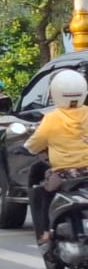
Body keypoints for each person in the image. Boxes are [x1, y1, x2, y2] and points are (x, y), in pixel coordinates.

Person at [24, 71, 88, 244]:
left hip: (63, 174)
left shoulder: (52, 118)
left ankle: (46, 232)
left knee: (44, 194)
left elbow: (35, 143)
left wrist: (27, 148)